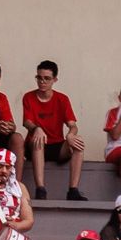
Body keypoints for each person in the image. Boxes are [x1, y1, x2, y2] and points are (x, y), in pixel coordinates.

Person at [21, 60, 85, 201]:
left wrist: (71, 135)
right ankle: (40, 189)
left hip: (57, 145)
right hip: (35, 146)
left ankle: (73, 190)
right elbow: (27, 122)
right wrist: (37, 128)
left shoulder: (62, 99)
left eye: (47, 78)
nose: (42, 82)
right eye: (39, 78)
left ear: (55, 79)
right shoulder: (29, 97)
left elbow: (72, 125)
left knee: (78, 143)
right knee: (38, 140)